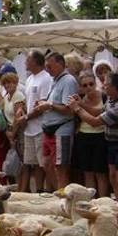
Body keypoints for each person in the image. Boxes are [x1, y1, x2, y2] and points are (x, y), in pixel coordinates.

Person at [68, 73, 118, 204]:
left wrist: (76, 108)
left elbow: (94, 122)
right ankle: (117, 207)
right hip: (112, 142)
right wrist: (81, 103)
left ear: (115, 87)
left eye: (107, 83)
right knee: (113, 177)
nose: (103, 85)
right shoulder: (111, 99)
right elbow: (99, 112)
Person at [39, 52, 79, 190]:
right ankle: (58, 193)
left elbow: (69, 109)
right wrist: (44, 103)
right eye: (46, 67)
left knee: (60, 168)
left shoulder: (68, 81)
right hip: (49, 128)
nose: (47, 70)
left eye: (50, 66)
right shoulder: (54, 80)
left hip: (61, 129)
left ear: (60, 64)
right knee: (46, 164)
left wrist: (49, 105)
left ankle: (63, 197)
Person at [15, 50, 52, 192]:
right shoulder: (30, 79)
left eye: (28, 60)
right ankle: (38, 189)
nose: (25, 62)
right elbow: (28, 100)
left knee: (44, 163)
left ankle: (47, 190)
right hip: (29, 128)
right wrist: (22, 109)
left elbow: (42, 105)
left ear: (35, 61)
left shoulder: (45, 78)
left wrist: (26, 117)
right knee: (33, 162)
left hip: (40, 127)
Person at [71, 71, 109, 197]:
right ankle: (90, 200)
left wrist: (81, 105)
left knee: (100, 173)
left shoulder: (104, 97)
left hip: (100, 136)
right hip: (83, 136)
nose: (88, 88)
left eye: (91, 84)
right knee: (87, 172)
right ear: (81, 87)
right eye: (85, 85)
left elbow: (98, 114)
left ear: (95, 83)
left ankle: (103, 201)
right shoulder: (80, 98)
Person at [0, 72, 26, 188]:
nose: (7, 85)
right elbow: (4, 116)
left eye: (10, 82)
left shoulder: (18, 96)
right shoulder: (6, 97)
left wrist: (13, 134)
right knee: (15, 161)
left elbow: (18, 116)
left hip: (19, 131)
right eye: (5, 83)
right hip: (9, 130)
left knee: (22, 161)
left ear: (15, 83)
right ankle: (17, 186)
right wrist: (7, 132)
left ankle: (23, 188)